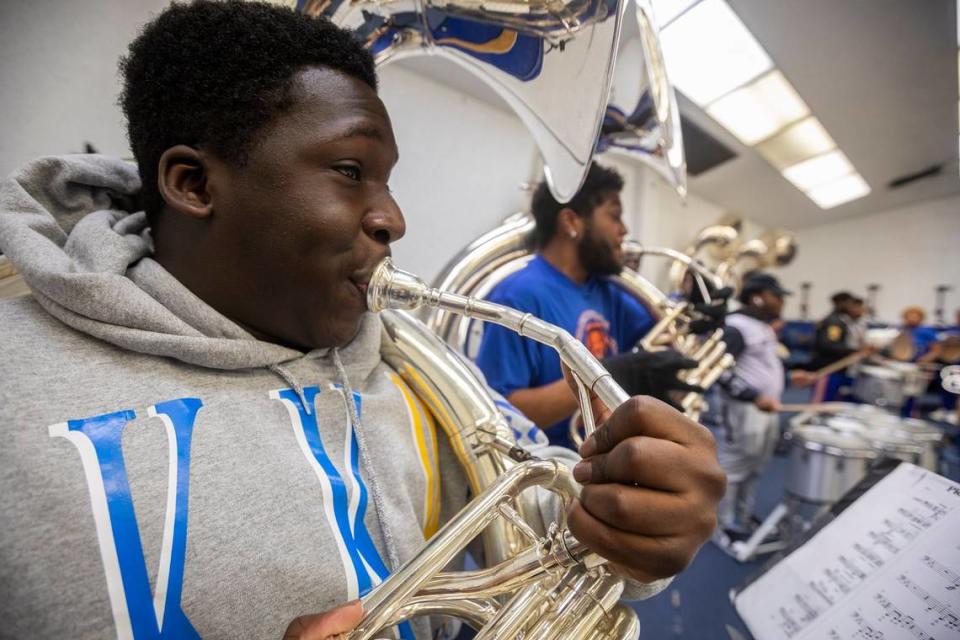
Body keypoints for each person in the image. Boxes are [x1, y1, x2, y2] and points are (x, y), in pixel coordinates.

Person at [0, 2, 726, 638]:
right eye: (351, 172)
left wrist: (639, 518)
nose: (395, 219)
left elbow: (554, 519)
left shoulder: (412, 365)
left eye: (388, 181)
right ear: (193, 183)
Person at [475, 163, 704, 449]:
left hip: (614, 456)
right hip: (554, 469)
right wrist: (604, 376)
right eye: (615, 216)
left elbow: (666, 340)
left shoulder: (608, 289)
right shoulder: (517, 295)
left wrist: (697, 311)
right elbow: (500, 414)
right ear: (571, 222)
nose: (624, 230)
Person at [705, 273, 790, 539]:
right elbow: (718, 371)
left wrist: (793, 374)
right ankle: (721, 526)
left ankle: (742, 514)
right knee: (734, 467)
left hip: (767, 409)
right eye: (777, 297)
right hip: (744, 410)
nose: (781, 303)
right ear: (759, 296)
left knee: (757, 466)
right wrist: (754, 396)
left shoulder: (761, 325)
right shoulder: (735, 326)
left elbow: (760, 365)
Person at [809, 291, 869, 402]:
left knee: (830, 400)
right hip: (828, 368)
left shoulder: (841, 320)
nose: (852, 307)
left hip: (835, 369)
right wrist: (854, 351)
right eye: (850, 303)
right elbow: (829, 344)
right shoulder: (834, 322)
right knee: (821, 401)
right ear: (842, 303)